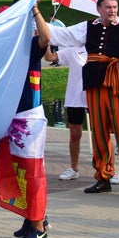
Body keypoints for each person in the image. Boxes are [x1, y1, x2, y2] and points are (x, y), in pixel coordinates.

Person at [48, 0, 119, 199]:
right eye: (108, 7)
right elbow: (62, 35)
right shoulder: (87, 26)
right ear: (99, 9)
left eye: (115, 7)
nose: (112, 11)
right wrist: (36, 16)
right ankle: (103, 177)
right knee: (98, 130)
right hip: (95, 83)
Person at [0, 3, 51, 238]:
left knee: (32, 172)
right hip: (8, 118)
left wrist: (34, 9)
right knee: (17, 173)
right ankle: (32, 218)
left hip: (29, 118)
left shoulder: (30, 45)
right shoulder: (1, 51)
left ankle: (39, 227)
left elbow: (47, 37)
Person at [44, 46, 90, 181]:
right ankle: (74, 168)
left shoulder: (102, 47)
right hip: (75, 98)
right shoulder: (73, 50)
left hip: (95, 94)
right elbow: (49, 57)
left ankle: (109, 168)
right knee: (75, 134)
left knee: (102, 132)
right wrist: (46, 42)